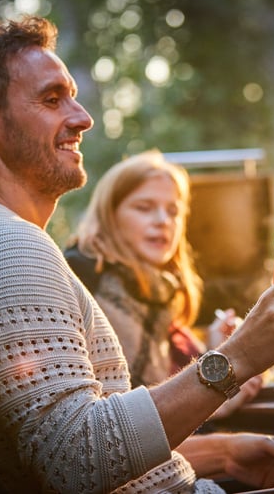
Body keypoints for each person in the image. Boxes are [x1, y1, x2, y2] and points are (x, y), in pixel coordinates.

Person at [0, 15, 274, 493]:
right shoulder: (1, 248)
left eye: (73, 96)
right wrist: (239, 354)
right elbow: (74, 463)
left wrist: (220, 450)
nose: (82, 117)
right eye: (52, 99)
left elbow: (81, 445)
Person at [64, 150, 260, 420]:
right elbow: (128, 416)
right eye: (144, 208)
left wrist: (216, 351)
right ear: (109, 214)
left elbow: (179, 376)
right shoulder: (90, 281)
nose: (162, 221)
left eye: (173, 211)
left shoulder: (160, 293)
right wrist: (221, 391)